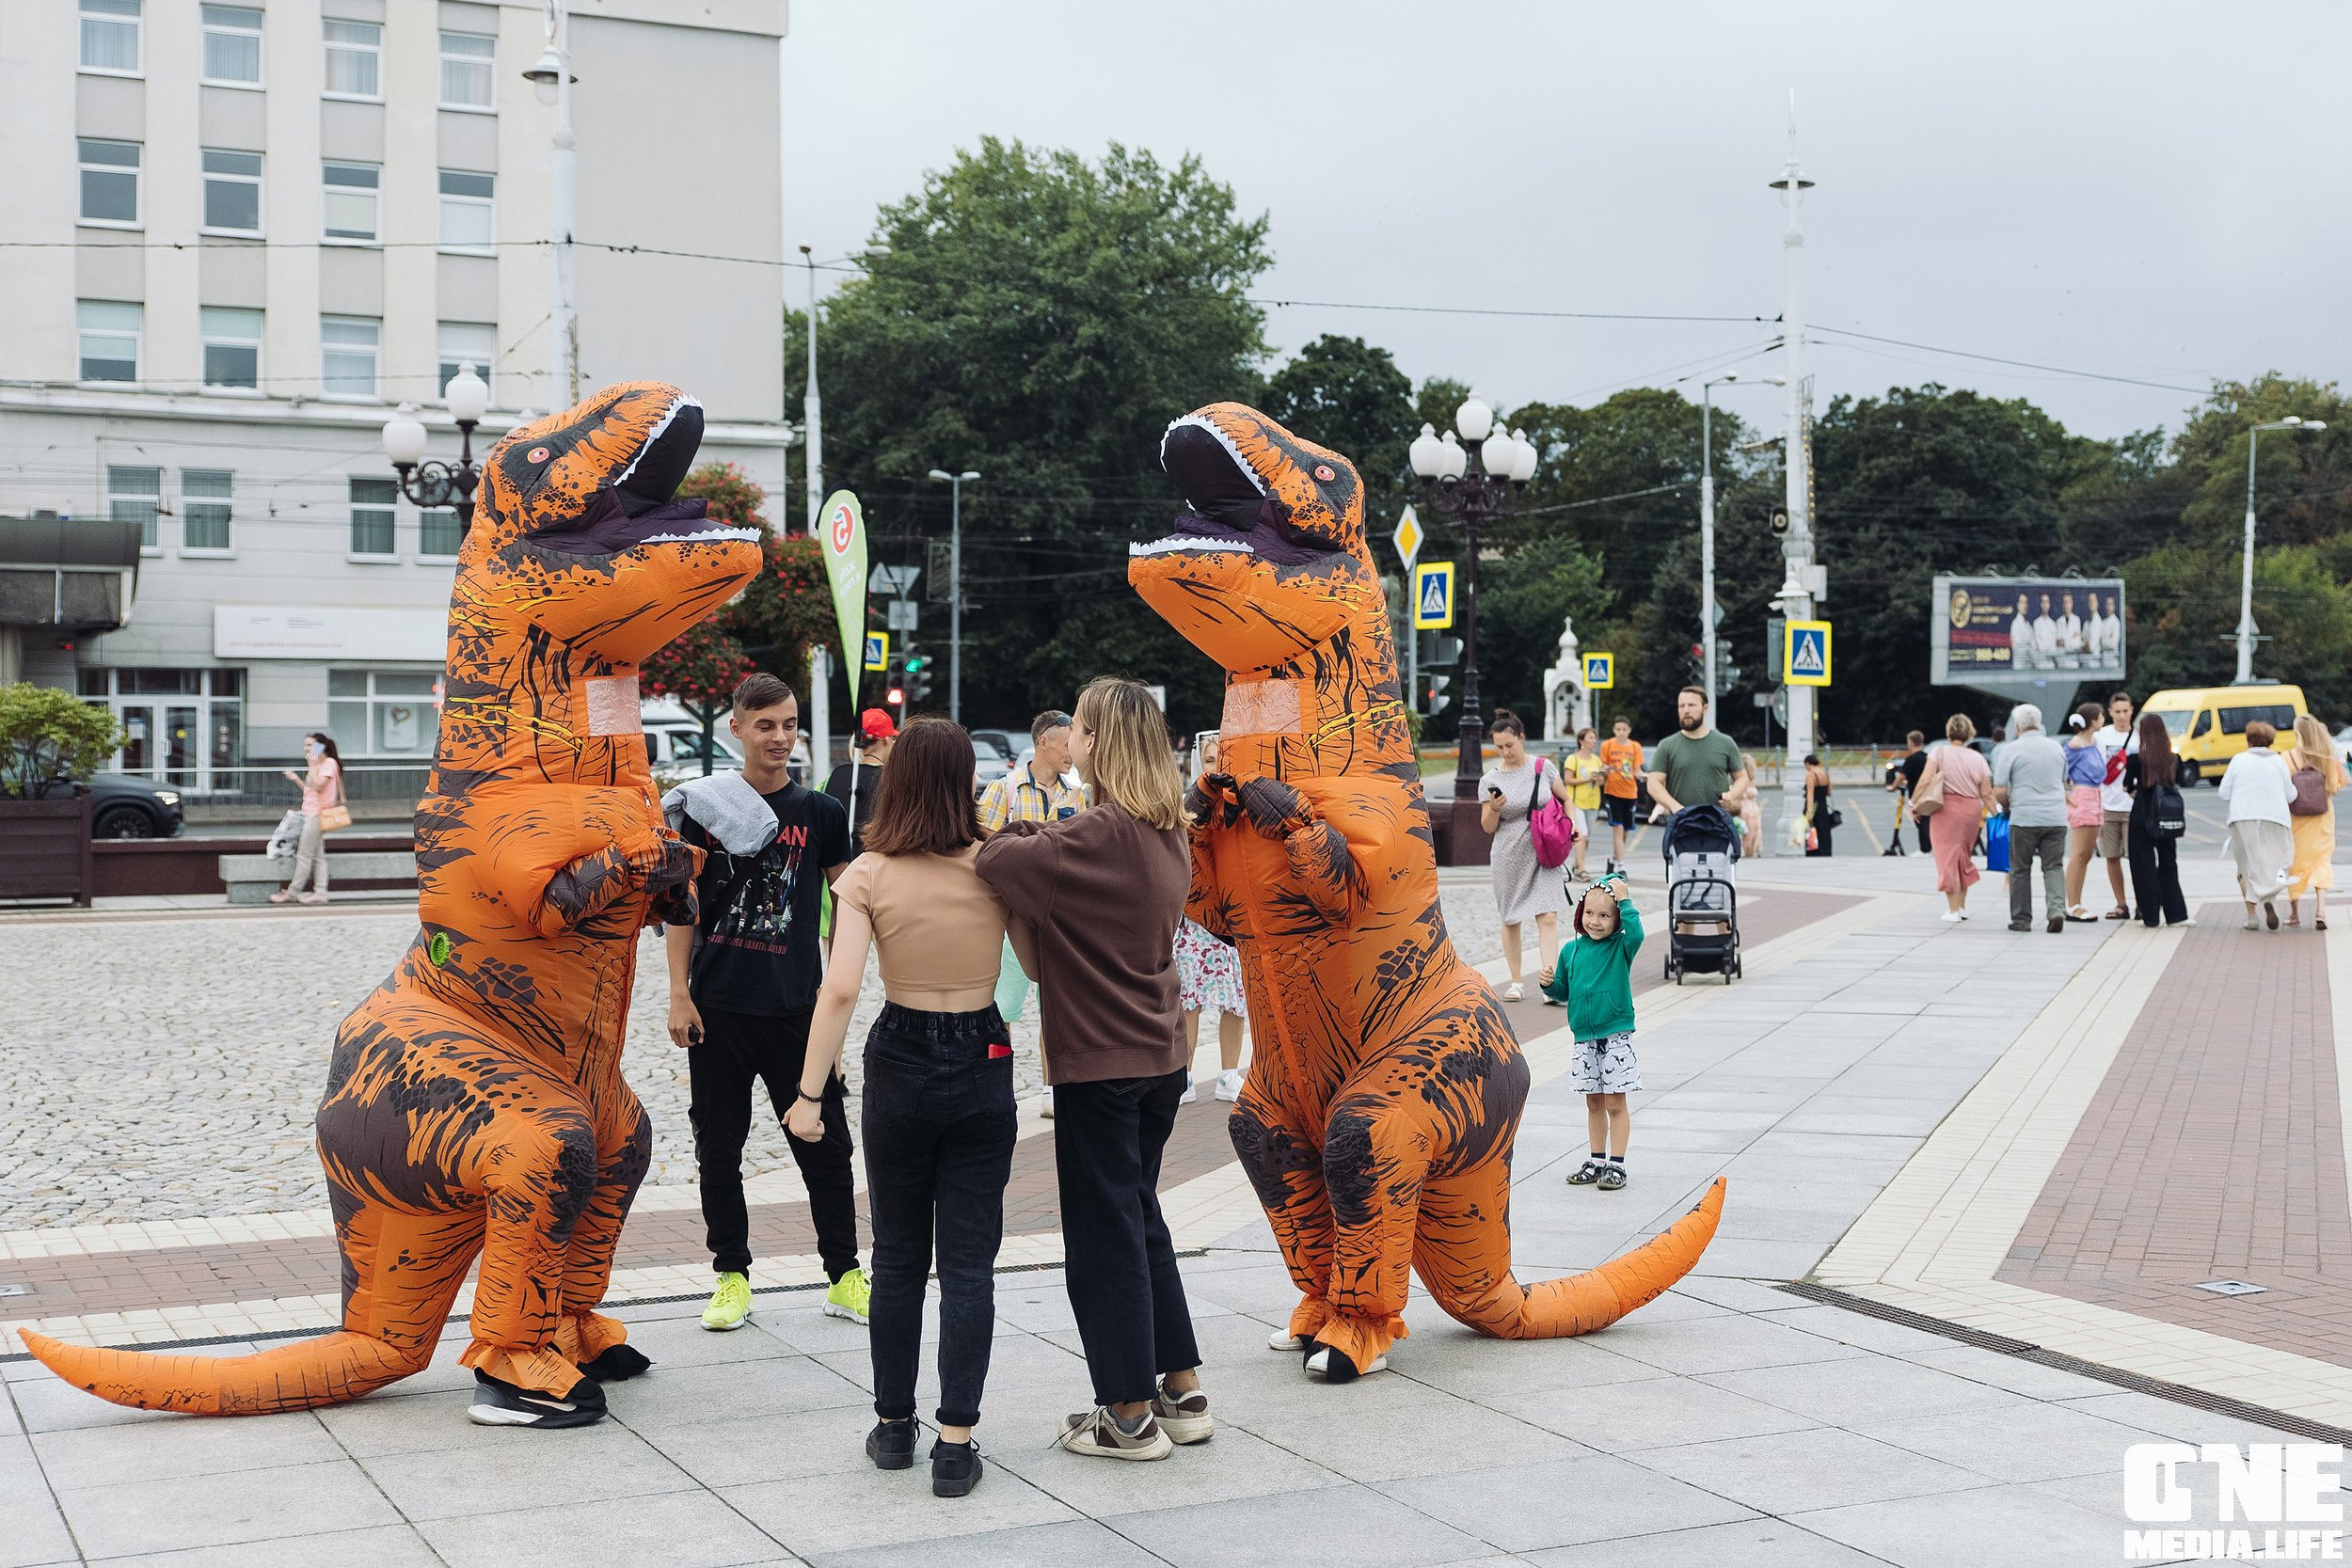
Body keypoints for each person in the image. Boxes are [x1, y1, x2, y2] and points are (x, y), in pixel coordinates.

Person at [976, 676, 1208, 1462]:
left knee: (1106, 1236)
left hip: (1100, 1062)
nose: (1068, 735)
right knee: (1140, 1216)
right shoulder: (1167, 829)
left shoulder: (1093, 834)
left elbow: (998, 856)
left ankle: (1130, 1415)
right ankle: (1182, 1386)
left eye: (1077, 724)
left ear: (1097, 741)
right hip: (1160, 1051)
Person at [790, 717, 1012, 1498]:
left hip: (901, 1055)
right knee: (968, 1261)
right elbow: (1045, 960)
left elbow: (842, 987)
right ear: (965, 781)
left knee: (896, 1255)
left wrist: (811, 1093)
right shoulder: (997, 864)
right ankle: (955, 1444)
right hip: (984, 1049)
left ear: (897, 779)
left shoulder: (868, 873)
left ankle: (893, 1428)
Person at [664, 673, 866, 1334]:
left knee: (827, 1145)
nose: (780, 737)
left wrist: (839, 996)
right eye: (766, 725)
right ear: (737, 728)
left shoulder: (821, 813)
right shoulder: (704, 808)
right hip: (717, 1008)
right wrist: (678, 992)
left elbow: (852, 902)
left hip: (795, 1010)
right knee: (717, 1147)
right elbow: (682, 906)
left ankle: (844, 1274)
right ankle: (731, 1275)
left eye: (789, 724)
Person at [1545, 875, 1643, 1191]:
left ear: (1616, 920)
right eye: (1589, 914)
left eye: (1604, 916)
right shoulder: (1570, 950)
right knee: (1594, 1103)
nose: (1595, 922)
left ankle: (1618, 1165)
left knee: (1616, 1102)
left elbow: (1637, 932)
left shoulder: (1620, 947)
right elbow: (1562, 990)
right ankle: (1597, 1160)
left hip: (1614, 1036)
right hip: (1584, 1039)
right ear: (1580, 914)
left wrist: (1625, 900)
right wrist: (1548, 983)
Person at [1479, 710, 1571, 1003]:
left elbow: (1566, 799)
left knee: (1548, 918)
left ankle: (1550, 982)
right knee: (1511, 919)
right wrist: (1494, 808)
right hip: (1508, 854)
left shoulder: (1543, 768)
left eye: (1510, 745)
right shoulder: (1490, 779)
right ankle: (1516, 981)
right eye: (1499, 747)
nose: (1505, 752)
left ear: (1522, 738)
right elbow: (1487, 827)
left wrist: (1570, 829)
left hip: (1543, 850)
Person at [1175, 733, 1248, 1101]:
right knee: (1189, 998)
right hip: (1197, 917)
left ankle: (1228, 1075)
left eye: (1220, 759)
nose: (1214, 766)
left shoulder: (1243, 801)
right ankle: (1183, 1076)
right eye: (1208, 760)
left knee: (1236, 998)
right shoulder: (1187, 804)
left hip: (1232, 914)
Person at [1992, 705, 2069, 934]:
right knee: (2054, 866)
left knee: (2020, 869)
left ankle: (2022, 919)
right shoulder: (2056, 748)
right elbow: (2063, 780)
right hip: (2055, 817)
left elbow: (1999, 789)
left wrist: (2007, 806)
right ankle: (2056, 911)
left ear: (2017, 727)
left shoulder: (2011, 750)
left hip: (2024, 817)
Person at [2219, 720, 2295, 930]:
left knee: (2245, 867)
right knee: (2274, 865)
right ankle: (2270, 899)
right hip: (2276, 819)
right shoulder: (2279, 761)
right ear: (2270, 741)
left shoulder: (2238, 760)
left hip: (2242, 818)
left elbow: (2223, 792)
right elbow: (2291, 794)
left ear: (2248, 740)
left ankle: (2252, 916)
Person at [2123, 711, 2190, 929]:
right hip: (2166, 816)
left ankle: (2150, 916)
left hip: (2141, 816)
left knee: (2143, 865)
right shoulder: (2173, 759)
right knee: (2168, 863)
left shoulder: (2136, 760)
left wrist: (2135, 790)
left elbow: (2127, 786)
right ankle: (2176, 915)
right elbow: (2178, 781)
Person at [1645, 686, 1749, 825]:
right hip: (1681, 825)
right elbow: (1653, 783)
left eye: (1691, 705)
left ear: (1704, 708)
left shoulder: (1725, 743)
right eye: (1681, 706)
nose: (1686, 711)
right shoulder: (1667, 745)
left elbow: (1742, 777)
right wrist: (1675, 807)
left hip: (1718, 824)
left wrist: (1731, 795)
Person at [1925, 714, 1993, 922]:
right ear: (1969, 733)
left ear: (1948, 731)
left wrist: (1915, 803)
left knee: (1947, 858)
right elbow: (1986, 792)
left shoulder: (1938, 752)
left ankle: (1953, 910)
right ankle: (1961, 906)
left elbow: (1926, 779)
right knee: (1962, 857)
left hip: (1946, 809)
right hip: (1972, 810)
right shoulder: (1978, 758)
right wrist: (1996, 812)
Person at [2285, 714, 2344, 930]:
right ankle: (2321, 910)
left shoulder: (2288, 757)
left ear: (2298, 733)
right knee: (2322, 861)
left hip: (2297, 818)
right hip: (2323, 817)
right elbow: (2342, 781)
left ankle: (2294, 914)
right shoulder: (2328, 755)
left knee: (2296, 863)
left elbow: (2284, 789)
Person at [270, 732, 342, 905]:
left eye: (310, 745)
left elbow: (319, 785)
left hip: (317, 815)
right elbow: (310, 790)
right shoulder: (318, 765)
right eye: (306, 745)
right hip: (309, 813)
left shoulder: (328, 764)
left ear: (320, 747)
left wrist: (312, 765)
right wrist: (296, 779)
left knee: (304, 855)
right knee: (317, 855)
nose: (306, 749)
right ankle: (320, 892)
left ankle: (293, 892)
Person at [978, 709, 1079, 832]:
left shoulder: (1076, 795)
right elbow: (984, 846)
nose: (1073, 754)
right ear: (1043, 742)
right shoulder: (1002, 789)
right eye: (1067, 746)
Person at [824, 708, 897, 854]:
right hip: (876, 866)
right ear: (886, 741)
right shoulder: (894, 780)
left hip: (836, 870)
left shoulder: (834, 776)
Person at [2092, 691, 2137, 920]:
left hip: (2132, 807)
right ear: (2110, 712)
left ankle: (2142, 901)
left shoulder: (2139, 737)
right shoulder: (2101, 736)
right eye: (2117, 712)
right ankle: (2121, 903)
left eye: (2125, 711)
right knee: (2111, 856)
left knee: (2136, 857)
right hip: (2108, 805)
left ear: (2132, 711)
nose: (2122, 716)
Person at [2061, 703, 2107, 922]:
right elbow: (2060, 769)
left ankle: (2075, 902)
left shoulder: (2094, 742)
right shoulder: (2075, 744)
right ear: (2092, 720)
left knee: (2086, 854)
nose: (2103, 719)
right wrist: (2066, 795)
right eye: (2100, 716)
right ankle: (2072, 904)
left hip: (2096, 797)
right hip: (2083, 796)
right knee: (2079, 854)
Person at [1597, 716, 1644, 875]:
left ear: (1629, 730)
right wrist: (1605, 770)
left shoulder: (1635, 747)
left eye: (1624, 730)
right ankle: (1622, 866)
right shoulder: (1607, 745)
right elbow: (1603, 765)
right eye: (1618, 729)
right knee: (1618, 827)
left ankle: (1613, 859)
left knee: (1625, 831)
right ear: (1614, 730)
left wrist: (1648, 777)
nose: (1621, 733)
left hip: (1630, 791)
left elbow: (1637, 770)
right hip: (1613, 790)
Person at [1561, 727, 1606, 881]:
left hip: (1593, 802)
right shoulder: (1573, 759)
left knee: (1587, 838)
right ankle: (1581, 869)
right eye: (1590, 738)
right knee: (1582, 835)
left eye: (1594, 738)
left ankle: (1576, 864)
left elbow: (1601, 782)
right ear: (1581, 741)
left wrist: (1600, 777)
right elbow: (1568, 780)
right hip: (1576, 802)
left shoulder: (1596, 759)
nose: (1593, 741)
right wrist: (1588, 779)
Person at [1802, 753, 1835, 857]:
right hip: (1823, 806)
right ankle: (1826, 852)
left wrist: (1809, 812)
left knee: (1812, 831)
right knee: (1824, 831)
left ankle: (1815, 853)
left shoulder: (1811, 775)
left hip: (1814, 807)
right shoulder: (1824, 773)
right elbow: (1829, 792)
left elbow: (1810, 795)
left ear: (1807, 763)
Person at [1738, 752, 1765, 858]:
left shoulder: (1739, 778)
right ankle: (1753, 850)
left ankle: (1746, 850)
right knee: (1754, 829)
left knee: (1745, 830)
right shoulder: (1750, 779)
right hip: (1752, 808)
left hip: (1744, 807)